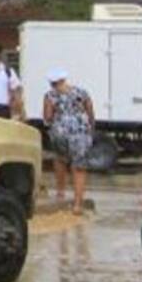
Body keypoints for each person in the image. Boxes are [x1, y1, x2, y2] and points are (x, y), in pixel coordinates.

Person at [43, 69, 95, 216]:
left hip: (60, 133)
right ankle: (77, 204)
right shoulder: (82, 92)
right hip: (80, 132)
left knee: (60, 160)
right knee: (79, 167)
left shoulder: (50, 95)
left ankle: (61, 193)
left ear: (52, 83)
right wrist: (90, 128)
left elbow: (47, 116)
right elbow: (90, 112)